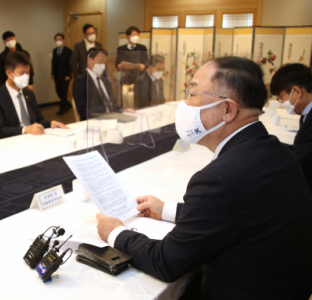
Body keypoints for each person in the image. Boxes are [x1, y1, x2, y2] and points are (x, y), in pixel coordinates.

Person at [96, 57, 312, 299]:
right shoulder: (278, 151)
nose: (185, 104)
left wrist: (115, 233)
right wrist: (165, 209)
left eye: (193, 94)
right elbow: (232, 214)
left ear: (228, 109)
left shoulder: (219, 179)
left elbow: (166, 261)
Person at [0, 51, 68, 140]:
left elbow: (38, 118)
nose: (25, 76)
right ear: (9, 73)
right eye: (21, 73)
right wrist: (25, 129)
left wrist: (51, 123)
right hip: (10, 143)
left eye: (27, 72)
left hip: (33, 139)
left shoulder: (28, 93)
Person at [270, 63, 312, 193]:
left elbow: (302, 160)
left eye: (282, 98)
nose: (283, 104)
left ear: (297, 92)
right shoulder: (305, 114)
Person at [72, 47, 121, 121]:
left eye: (104, 63)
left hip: (114, 119)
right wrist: (103, 118)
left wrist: (123, 110)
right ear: (90, 61)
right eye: (100, 62)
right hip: (97, 121)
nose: (103, 66)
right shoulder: (80, 81)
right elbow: (83, 110)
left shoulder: (105, 81)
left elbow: (112, 103)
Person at [51, 33, 73, 115]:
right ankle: (68, 104)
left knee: (64, 93)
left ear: (63, 40)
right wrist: (52, 73)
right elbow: (53, 63)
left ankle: (63, 108)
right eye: (56, 40)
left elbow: (70, 63)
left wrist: (68, 74)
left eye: (59, 39)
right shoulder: (54, 51)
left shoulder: (68, 51)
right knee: (58, 91)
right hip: (57, 75)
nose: (58, 41)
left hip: (65, 75)